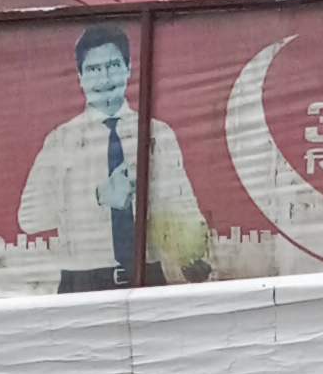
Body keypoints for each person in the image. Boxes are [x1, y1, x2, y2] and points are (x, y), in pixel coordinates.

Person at [17, 22, 208, 288]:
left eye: (113, 65)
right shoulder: (60, 141)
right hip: (84, 281)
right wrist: (97, 196)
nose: (105, 79)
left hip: (148, 275)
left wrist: (192, 253)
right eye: (93, 69)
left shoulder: (157, 134)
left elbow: (183, 205)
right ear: (80, 77)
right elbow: (28, 218)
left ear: (129, 69)